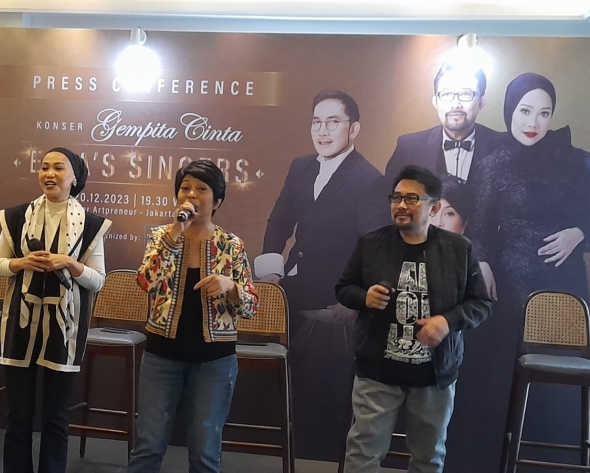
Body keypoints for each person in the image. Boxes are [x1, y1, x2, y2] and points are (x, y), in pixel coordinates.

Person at [459, 72, 590, 473]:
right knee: (497, 383)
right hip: (508, 293)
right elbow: (480, 231)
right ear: (510, 111)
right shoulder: (492, 165)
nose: (533, 122)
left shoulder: (578, 160)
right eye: (525, 111)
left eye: (544, 113)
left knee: (558, 391)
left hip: (563, 294)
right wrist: (482, 263)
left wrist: (580, 233)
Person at [254, 90, 384, 460]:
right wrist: (271, 272)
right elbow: (279, 221)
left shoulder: (369, 179)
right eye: (317, 122)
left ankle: (315, 452)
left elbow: (373, 247)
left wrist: (355, 297)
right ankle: (269, 442)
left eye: (333, 122)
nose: (322, 131)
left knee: (318, 377)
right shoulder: (301, 166)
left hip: (334, 292)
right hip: (293, 282)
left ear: (353, 129)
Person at [335, 165, 491, 473]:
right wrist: (364, 297)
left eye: (412, 198)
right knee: (362, 454)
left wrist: (446, 322)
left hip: (434, 375)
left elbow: (481, 304)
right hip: (378, 371)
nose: (401, 205)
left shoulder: (458, 249)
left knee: (428, 458)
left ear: (434, 207)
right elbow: (344, 288)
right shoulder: (371, 243)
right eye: (396, 197)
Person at [127, 160, 258, 473]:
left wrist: (231, 287)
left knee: (204, 452)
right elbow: (145, 281)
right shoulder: (161, 236)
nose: (191, 194)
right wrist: (176, 232)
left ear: (218, 201)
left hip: (215, 361)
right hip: (162, 356)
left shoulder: (231, 245)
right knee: (148, 446)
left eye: (201, 189)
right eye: (185, 188)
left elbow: (251, 307)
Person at [0, 147, 111, 473]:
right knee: (18, 414)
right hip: (20, 322)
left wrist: (70, 263)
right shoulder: (16, 217)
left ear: (75, 178)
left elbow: (97, 280)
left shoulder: (91, 225)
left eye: (58, 168)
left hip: (65, 327)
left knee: (56, 416)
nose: (49, 174)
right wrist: (21, 263)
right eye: (44, 167)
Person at [384, 63, 501, 183]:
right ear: (435, 102)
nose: (456, 104)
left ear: (481, 102)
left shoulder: (503, 146)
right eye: (446, 94)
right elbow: (388, 192)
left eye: (466, 94)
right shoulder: (408, 147)